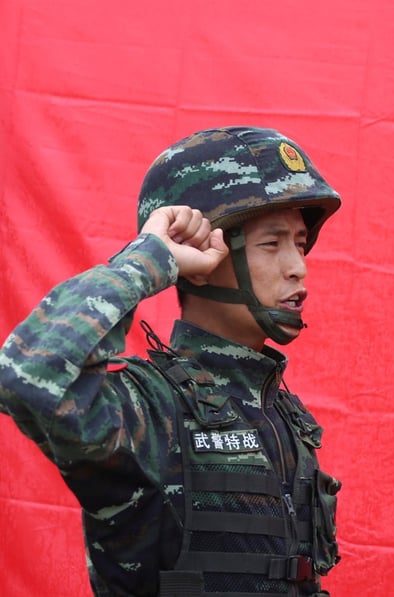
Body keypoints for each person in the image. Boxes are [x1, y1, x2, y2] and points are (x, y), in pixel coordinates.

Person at [0, 126, 344, 596]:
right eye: (272, 244)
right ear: (201, 259)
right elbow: (30, 376)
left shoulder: (282, 415)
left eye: (300, 243)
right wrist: (151, 257)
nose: (298, 266)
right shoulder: (152, 408)